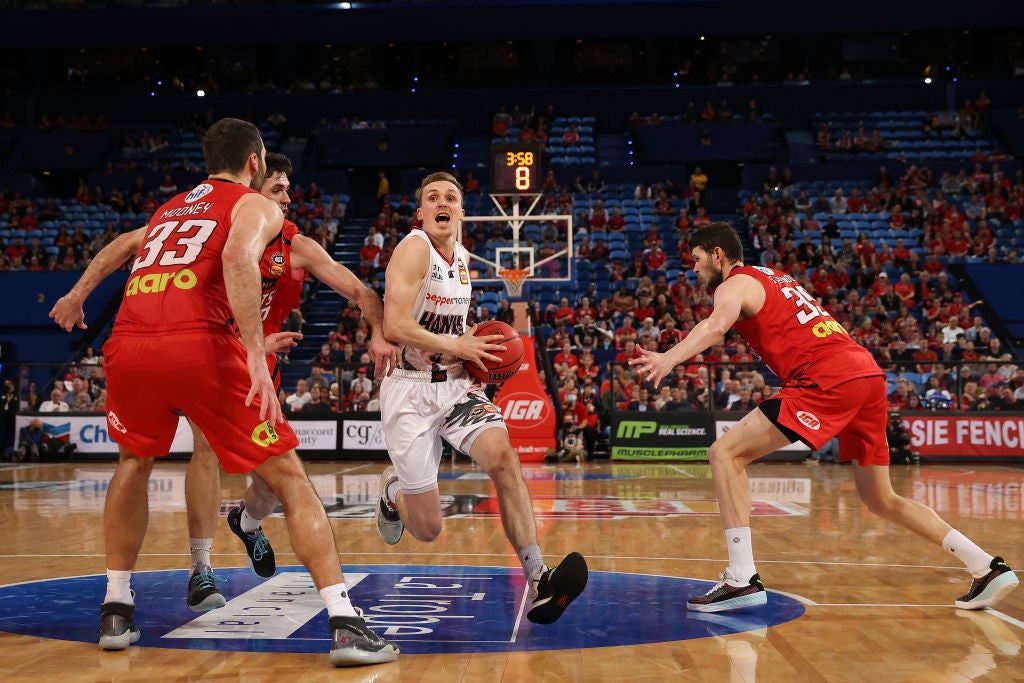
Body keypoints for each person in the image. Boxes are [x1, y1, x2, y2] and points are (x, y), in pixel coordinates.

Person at [46, 119, 398, 666]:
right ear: (255, 163)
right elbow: (237, 259)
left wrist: (76, 295)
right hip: (204, 345)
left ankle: (116, 607)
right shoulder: (254, 208)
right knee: (290, 477)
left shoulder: (172, 208)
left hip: (131, 342)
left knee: (132, 464)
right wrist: (255, 353)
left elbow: (123, 245)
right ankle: (345, 623)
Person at [630, 222, 1017, 613]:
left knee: (724, 454)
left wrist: (668, 358)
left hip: (825, 376)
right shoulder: (777, 277)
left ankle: (741, 578)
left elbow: (715, 327)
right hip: (864, 373)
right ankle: (986, 566)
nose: (693, 269)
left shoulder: (735, 283)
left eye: (696, 260)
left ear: (717, 254)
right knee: (880, 498)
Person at [375, 171, 588, 625]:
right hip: (409, 392)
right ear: (421, 212)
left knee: (506, 461)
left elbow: (449, 330)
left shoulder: (464, 258)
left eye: (450, 196)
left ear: (461, 212)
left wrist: (473, 340)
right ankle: (393, 490)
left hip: (456, 386)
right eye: (432, 197)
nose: (441, 202)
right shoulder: (413, 248)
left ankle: (538, 580)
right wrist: (459, 345)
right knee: (428, 529)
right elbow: (394, 326)